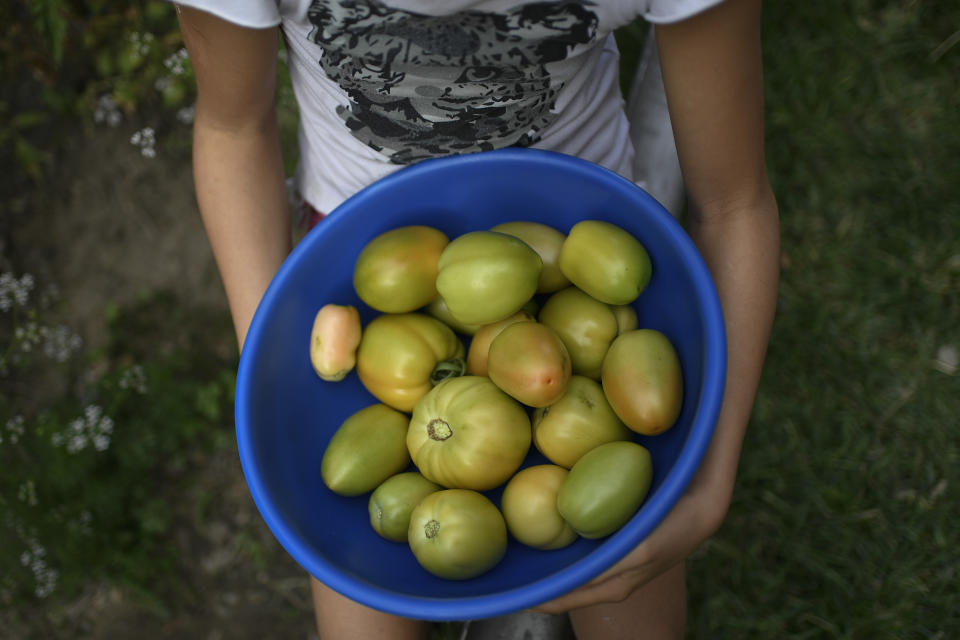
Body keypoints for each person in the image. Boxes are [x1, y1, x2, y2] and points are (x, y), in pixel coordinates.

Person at [173, 0, 780, 638]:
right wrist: (269, 370)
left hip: (584, 256)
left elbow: (735, 203)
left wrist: (709, 488)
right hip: (360, 271)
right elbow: (231, 128)